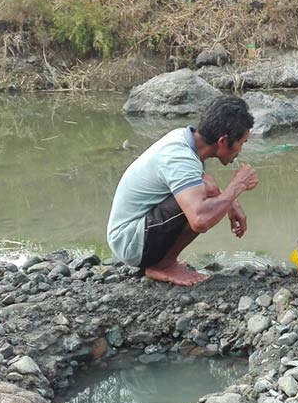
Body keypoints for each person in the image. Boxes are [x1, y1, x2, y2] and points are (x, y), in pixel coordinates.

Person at [107, 96, 258, 286]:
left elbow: (197, 186)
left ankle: (164, 261)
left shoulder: (185, 140)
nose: (240, 150)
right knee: (205, 198)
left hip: (136, 233)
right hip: (129, 243)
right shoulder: (180, 157)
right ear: (223, 140)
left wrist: (230, 203)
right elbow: (200, 220)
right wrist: (238, 185)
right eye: (241, 143)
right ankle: (162, 265)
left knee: (208, 186)